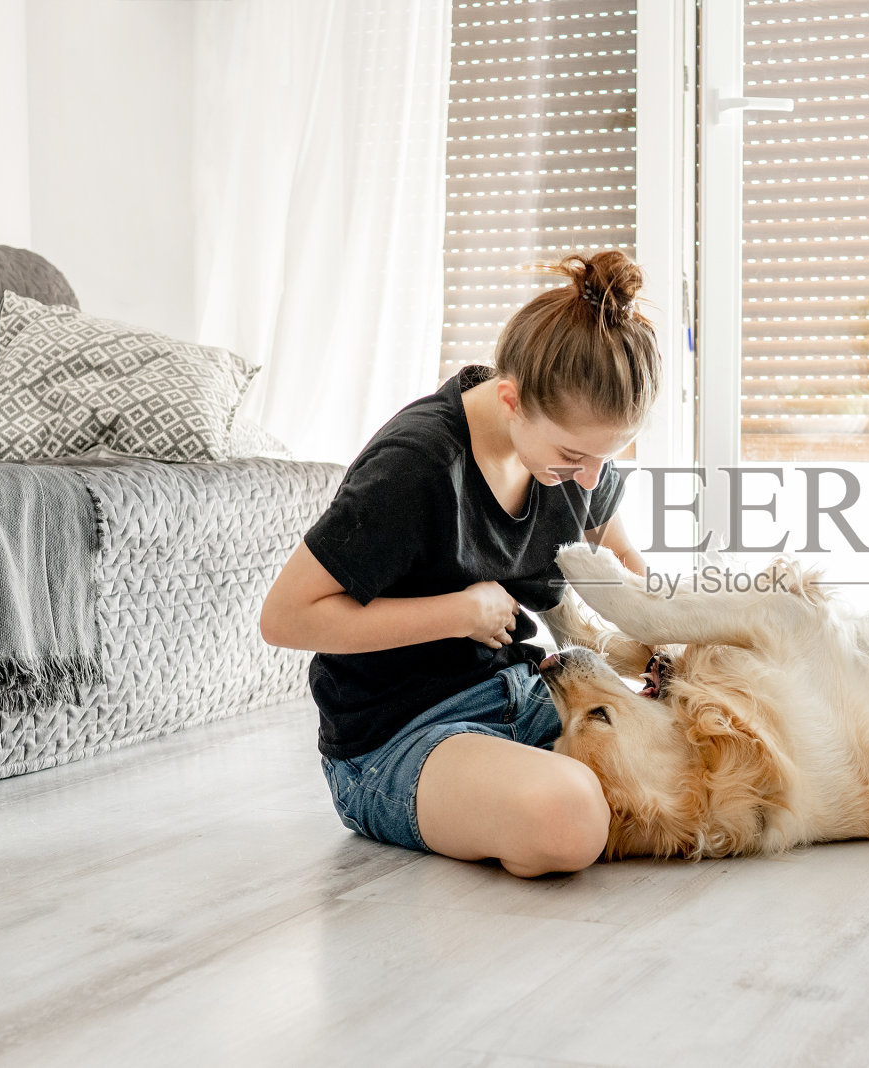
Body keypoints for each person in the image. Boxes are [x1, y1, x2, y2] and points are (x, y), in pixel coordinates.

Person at [259, 250, 659, 878]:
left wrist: (665, 641)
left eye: (607, 457)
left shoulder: (571, 458)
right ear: (511, 399)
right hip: (400, 737)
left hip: (523, 692)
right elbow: (284, 618)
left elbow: (621, 562)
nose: (589, 478)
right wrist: (457, 613)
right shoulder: (415, 467)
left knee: (708, 752)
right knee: (571, 816)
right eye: (574, 454)